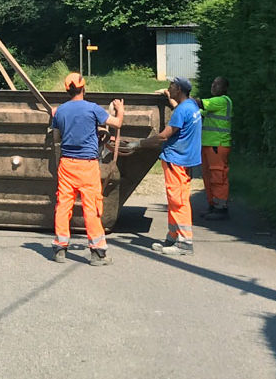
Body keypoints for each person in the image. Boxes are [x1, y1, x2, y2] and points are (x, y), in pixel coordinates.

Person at [121, 76, 201, 256]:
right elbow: (178, 108)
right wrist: (167, 96)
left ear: (179, 89)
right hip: (186, 159)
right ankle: (173, 237)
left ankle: (184, 242)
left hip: (176, 160)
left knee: (177, 201)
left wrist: (138, 143)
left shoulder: (181, 111)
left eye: (171, 86)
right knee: (176, 199)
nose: (169, 87)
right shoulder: (191, 106)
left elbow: (163, 136)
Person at [50, 72, 125, 266]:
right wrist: (120, 110)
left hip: (66, 164)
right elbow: (116, 123)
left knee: (63, 205)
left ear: (67, 90)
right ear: (84, 88)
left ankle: (60, 248)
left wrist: (55, 115)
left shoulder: (60, 111)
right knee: (91, 208)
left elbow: (57, 138)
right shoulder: (92, 109)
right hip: (87, 166)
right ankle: (98, 253)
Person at [197, 77, 232, 220]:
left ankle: (220, 208)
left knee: (218, 176)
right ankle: (213, 205)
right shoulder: (215, 105)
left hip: (217, 145)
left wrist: (183, 96)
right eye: (213, 83)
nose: (213, 86)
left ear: (224, 88)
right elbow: (199, 111)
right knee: (208, 176)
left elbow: (198, 103)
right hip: (210, 145)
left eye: (217, 84)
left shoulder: (222, 100)